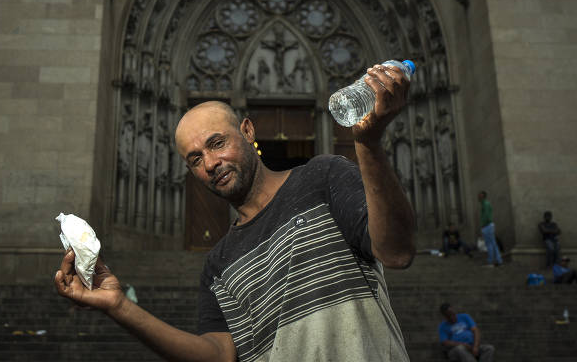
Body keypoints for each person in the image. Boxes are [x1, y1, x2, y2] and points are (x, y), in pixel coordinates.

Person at [54, 63, 416, 361]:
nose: (210, 163)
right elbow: (217, 356)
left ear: (247, 130)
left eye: (217, 143)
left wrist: (368, 144)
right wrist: (119, 306)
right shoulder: (218, 263)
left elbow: (396, 251)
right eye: (196, 159)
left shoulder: (323, 177)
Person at [478, 191, 502, 267]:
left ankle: (491, 260)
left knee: (489, 244)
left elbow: (486, 216)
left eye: (479, 195)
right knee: (493, 243)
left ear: (483, 196)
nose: (478, 197)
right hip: (489, 225)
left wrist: (483, 225)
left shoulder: (485, 204)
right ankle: (498, 260)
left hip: (487, 226)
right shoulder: (485, 204)